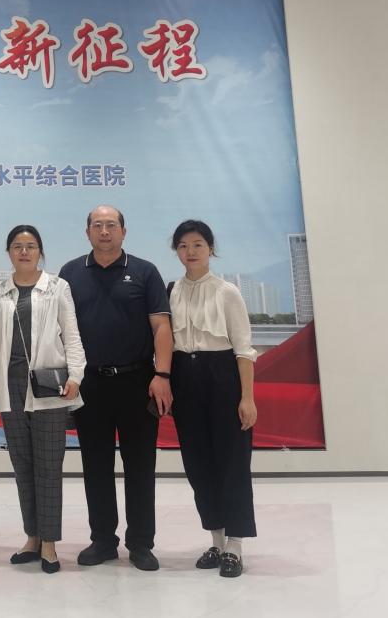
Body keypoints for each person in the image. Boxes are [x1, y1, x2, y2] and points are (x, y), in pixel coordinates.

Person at [57, 205, 172, 572]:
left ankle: (141, 543)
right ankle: (103, 540)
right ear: (87, 232)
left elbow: (161, 326)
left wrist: (163, 374)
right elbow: (60, 330)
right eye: (97, 225)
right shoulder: (70, 273)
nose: (104, 231)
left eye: (111, 225)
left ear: (123, 231)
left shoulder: (145, 272)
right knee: (95, 466)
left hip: (138, 382)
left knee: (140, 465)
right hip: (89, 384)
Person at [0, 225, 86, 574]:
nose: (24, 251)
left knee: (49, 467)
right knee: (23, 466)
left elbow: (72, 335)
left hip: (49, 387)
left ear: (40, 251)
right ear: (9, 252)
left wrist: (76, 376)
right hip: (10, 386)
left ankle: (50, 543)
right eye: (17, 246)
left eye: (30, 246)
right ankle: (32, 537)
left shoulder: (57, 287)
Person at [168, 220, 258, 578]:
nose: (190, 252)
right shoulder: (171, 291)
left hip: (222, 378)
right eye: (183, 246)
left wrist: (247, 398)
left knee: (232, 462)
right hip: (184, 379)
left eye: (197, 245)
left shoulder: (227, 292)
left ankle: (235, 545)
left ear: (210, 249)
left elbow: (244, 350)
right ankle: (217, 541)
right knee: (198, 464)